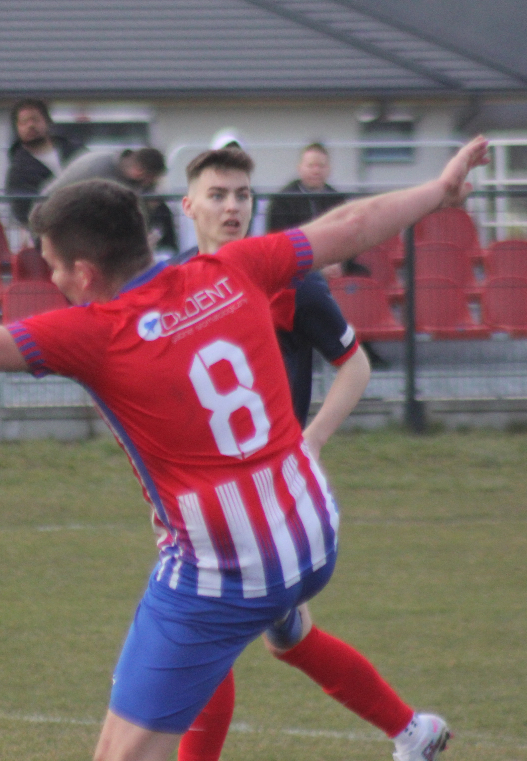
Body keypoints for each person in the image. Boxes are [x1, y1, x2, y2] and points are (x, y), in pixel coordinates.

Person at [0, 135, 490, 761]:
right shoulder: (237, 267)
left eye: (53, 267)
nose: (52, 279)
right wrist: (439, 191)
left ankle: (406, 729)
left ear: (85, 273)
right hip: (309, 531)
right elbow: (351, 225)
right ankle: (411, 731)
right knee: (274, 642)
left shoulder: (94, 331)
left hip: (227, 563)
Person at [172, 147, 397, 761]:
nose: (232, 207)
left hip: (270, 496)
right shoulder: (172, 286)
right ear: (188, 206)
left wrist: (311, 441)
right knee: (286, 638)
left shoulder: (289, 280)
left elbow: (355, 365)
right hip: (204, 495)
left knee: (203, 642)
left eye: (242, 195)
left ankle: (412, 731)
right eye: (218, 194)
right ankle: (413, 731)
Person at [46, 146, 176, 251]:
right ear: (138, 171)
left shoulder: (120, 168)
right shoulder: (99, 172)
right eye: (151, 180)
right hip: (56, 226)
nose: (151, 186)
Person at [3, 99, 82, 227]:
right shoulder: (18, 172)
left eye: (35, 119)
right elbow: (22, 211)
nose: (31, 125)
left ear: (47, 122)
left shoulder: (75, 151)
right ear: (17, 128)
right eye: (24, 122)